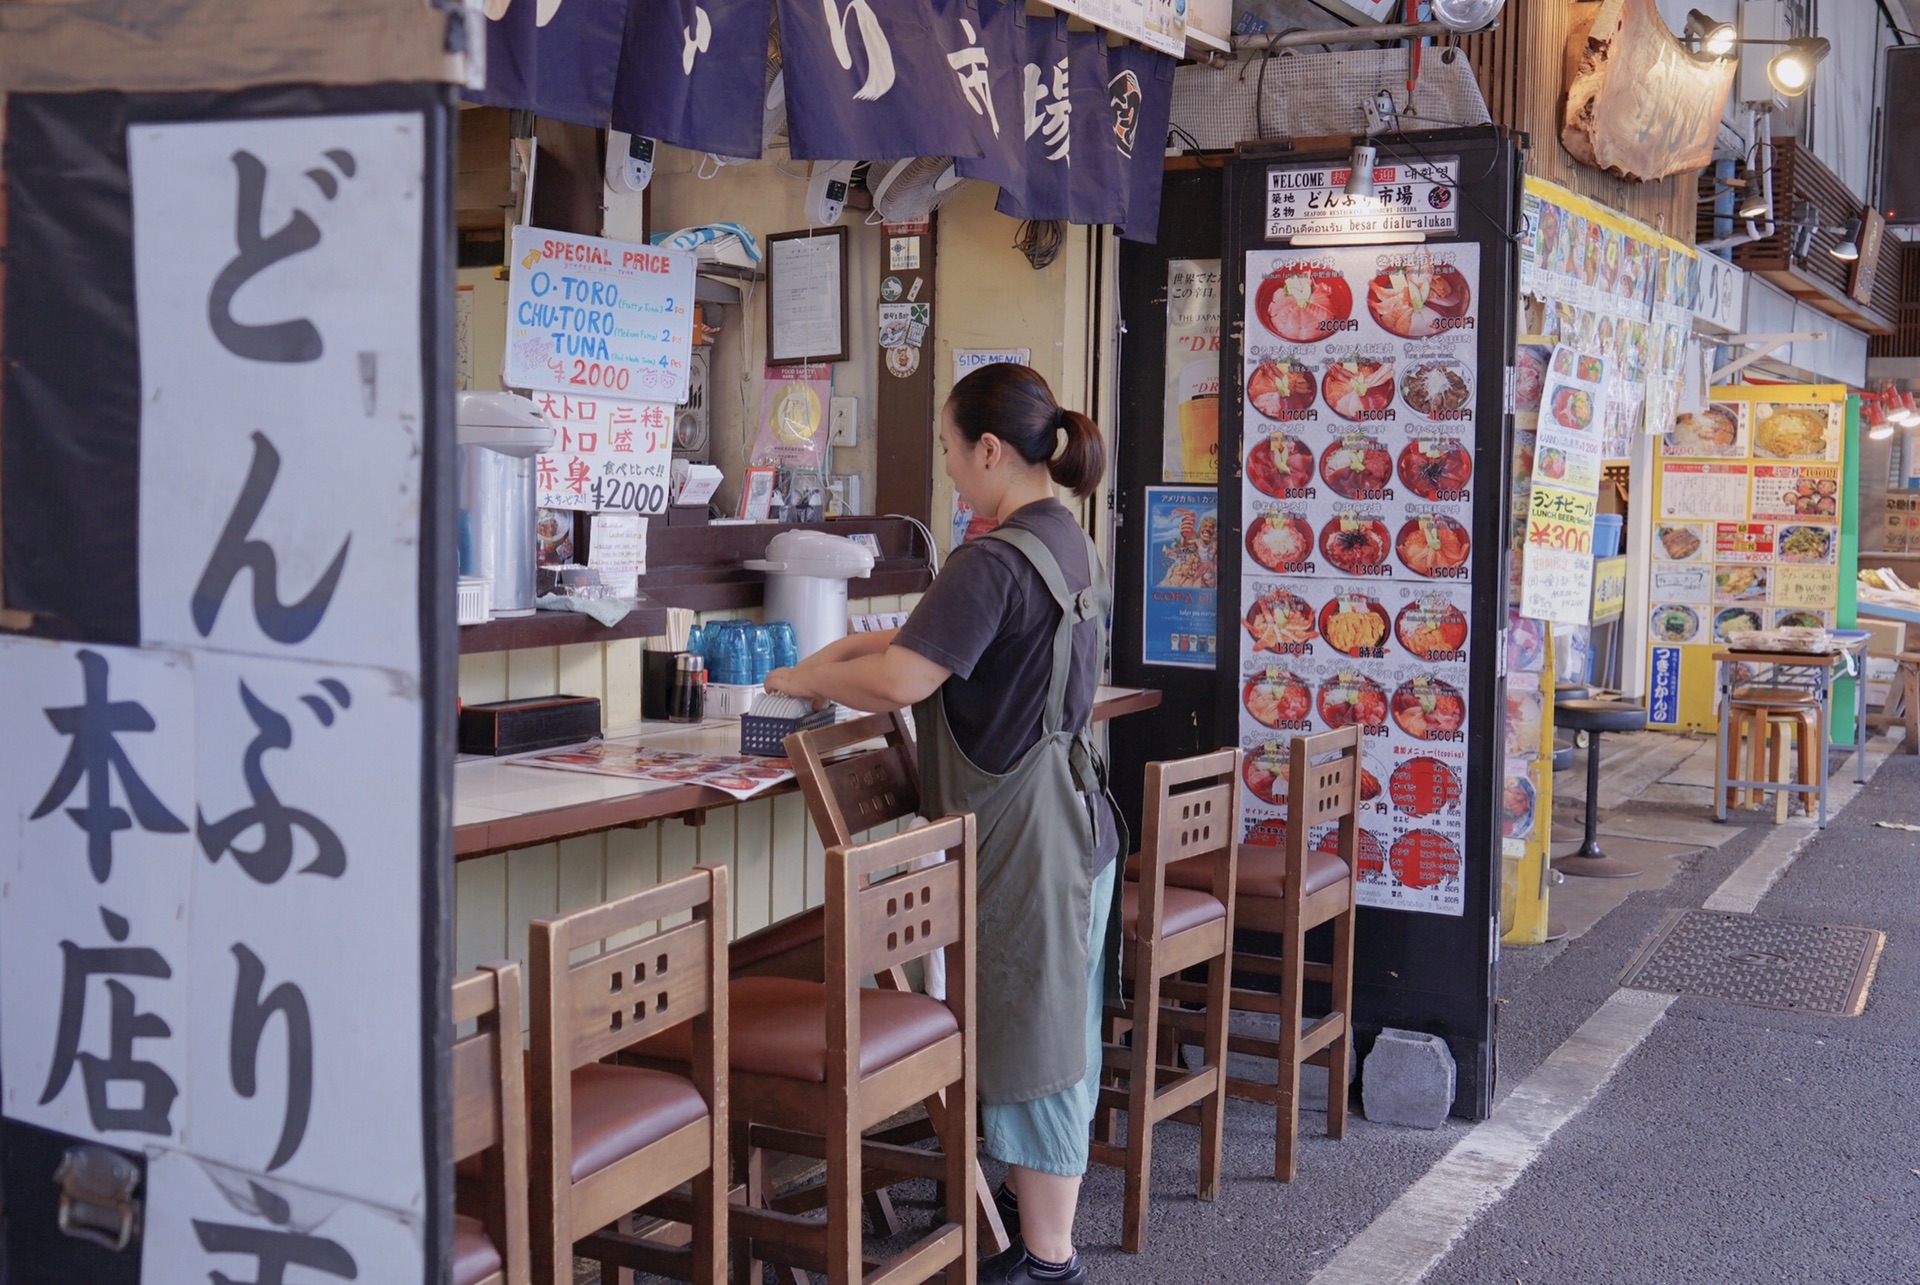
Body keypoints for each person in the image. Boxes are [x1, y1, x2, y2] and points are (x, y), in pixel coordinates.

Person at [764, 362, 1121, 1285]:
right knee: (1053, 1027)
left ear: (991, 450)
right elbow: (911, 641)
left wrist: (805, 680)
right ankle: (1042, 1234)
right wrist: (828, 654)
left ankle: (1046, 1260)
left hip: (1027, 833)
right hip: (1072, 817)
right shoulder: (1060, 540)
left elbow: (901, 680)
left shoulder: (994, 556)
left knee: (1037, 1037)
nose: (952, 471)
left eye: (953, 453)